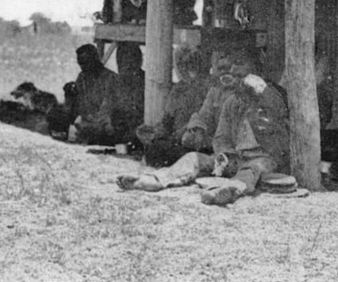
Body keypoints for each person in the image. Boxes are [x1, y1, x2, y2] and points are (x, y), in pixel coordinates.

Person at [116, 48, 290, 206]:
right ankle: (157, 180)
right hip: (236, 157)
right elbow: (222, 137)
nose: (234, 71)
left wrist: (263, 90)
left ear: (255, 69)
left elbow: (280, 115)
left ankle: (231, 191)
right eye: (232, 67)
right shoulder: (232, 102)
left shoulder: (272, 95)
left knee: (253, 169)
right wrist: (224, 157)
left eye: (240, 64)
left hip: (264, 160)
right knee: (193, 158)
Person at [135, 46, 210, 167]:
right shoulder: (178, 89)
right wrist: (154, 132)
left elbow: (205, 119)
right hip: (176, 141)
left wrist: (180, 134)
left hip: (196, 143)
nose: (186, 68)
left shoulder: (208, 88)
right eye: (183, 64)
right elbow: (167, 121)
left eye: (190, 64)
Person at [71, 44, 118, 145]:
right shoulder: (82, 77)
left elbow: (107, 110)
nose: (82, 67)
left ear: (95, 59)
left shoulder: (111, 78)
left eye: (85, 63)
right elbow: (79, 104)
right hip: (86, 126)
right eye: (80, 63)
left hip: (104, 129)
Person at [112, 42, 145, 147]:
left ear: (139, 61)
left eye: (131, 62)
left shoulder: (148, 83)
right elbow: (106, 109)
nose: (127, 65)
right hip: (117, 134)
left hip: (140, 134)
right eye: (122, 62)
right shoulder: (115, 83)